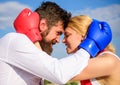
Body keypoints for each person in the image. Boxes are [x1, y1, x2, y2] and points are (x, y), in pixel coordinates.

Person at [0, 1, 112, 85]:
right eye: (58, 33)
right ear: (43, 25)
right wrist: (90, 45)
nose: (59, 40)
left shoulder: (29, 51)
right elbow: (59, 73)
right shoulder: (15, 40)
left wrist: (35, 40)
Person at [62, 15, 120, 85]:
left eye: (67, 35)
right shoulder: (88, 61)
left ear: (83, 36)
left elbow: (60, 72)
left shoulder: (109, 61)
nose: (63, 40)